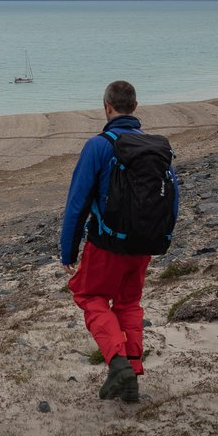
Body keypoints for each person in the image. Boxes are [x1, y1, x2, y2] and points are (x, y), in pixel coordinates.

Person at [60, 80, 179, 402]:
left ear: (107, 107)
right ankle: (132, 371)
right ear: (135, 107)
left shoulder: (98, 146)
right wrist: (161, 238)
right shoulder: (155, 147)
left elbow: (77, 203)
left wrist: (68, 249)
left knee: (90, 295)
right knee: (128, 303)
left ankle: (117, 362)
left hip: (106, 243)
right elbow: (173, 197)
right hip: (145, 242)